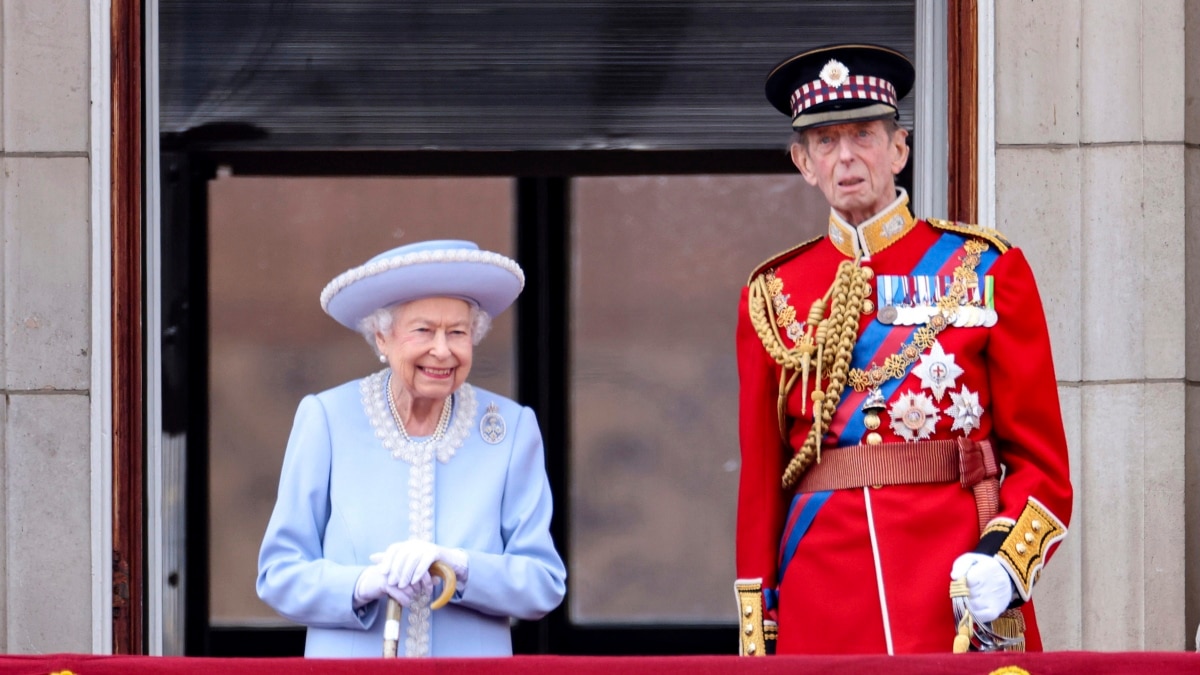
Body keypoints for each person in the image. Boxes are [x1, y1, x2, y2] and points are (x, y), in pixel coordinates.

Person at [733, 44, 1072, 656]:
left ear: (899, 148)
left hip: (956, 583)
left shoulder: (985, 268)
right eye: (826, 142)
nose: (846, 157)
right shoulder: (774, 293)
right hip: (822, 594)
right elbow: (760, 489)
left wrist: (1007, 562)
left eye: (863, 134)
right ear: (803, 162)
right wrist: (762, 636)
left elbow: (1043, 462)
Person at [257, 239, 566, 658]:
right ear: (382, 337)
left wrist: (457, 564)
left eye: (458, 332)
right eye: (423, 330)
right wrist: (362, 584)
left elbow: (543, 583)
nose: (442, 350)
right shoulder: (327, 418)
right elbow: (278, 574)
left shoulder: (510, 429)